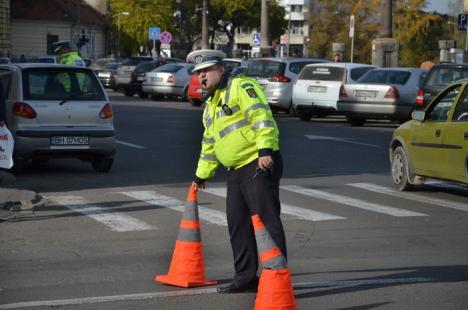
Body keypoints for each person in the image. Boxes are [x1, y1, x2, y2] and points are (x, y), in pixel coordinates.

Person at [187, 49, 287, 294]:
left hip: (257, 162)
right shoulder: (211, 104)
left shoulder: (241, 86)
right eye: (198, 73)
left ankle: (277, 278)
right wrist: (202, 174)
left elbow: (262, 116)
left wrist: (265, 150)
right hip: (235, 170)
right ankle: (245, 278)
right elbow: (209, 143)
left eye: (206, 71)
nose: (202, 77)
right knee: (237, 224)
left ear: (220, 69)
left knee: (266, 222)